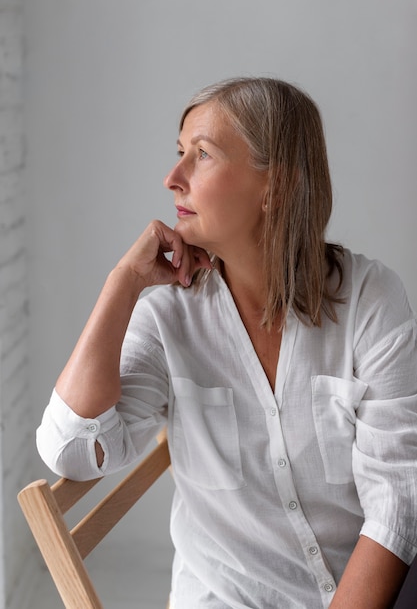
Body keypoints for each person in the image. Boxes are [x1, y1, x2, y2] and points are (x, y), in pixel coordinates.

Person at [36, 77, 417, 609]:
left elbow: (396, 499)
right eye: (178, 153)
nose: (172, 178)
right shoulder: (169, 315)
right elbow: (70, 450)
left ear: (274, 186)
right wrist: (122, 282)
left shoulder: (371, 301)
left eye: (202, 154)